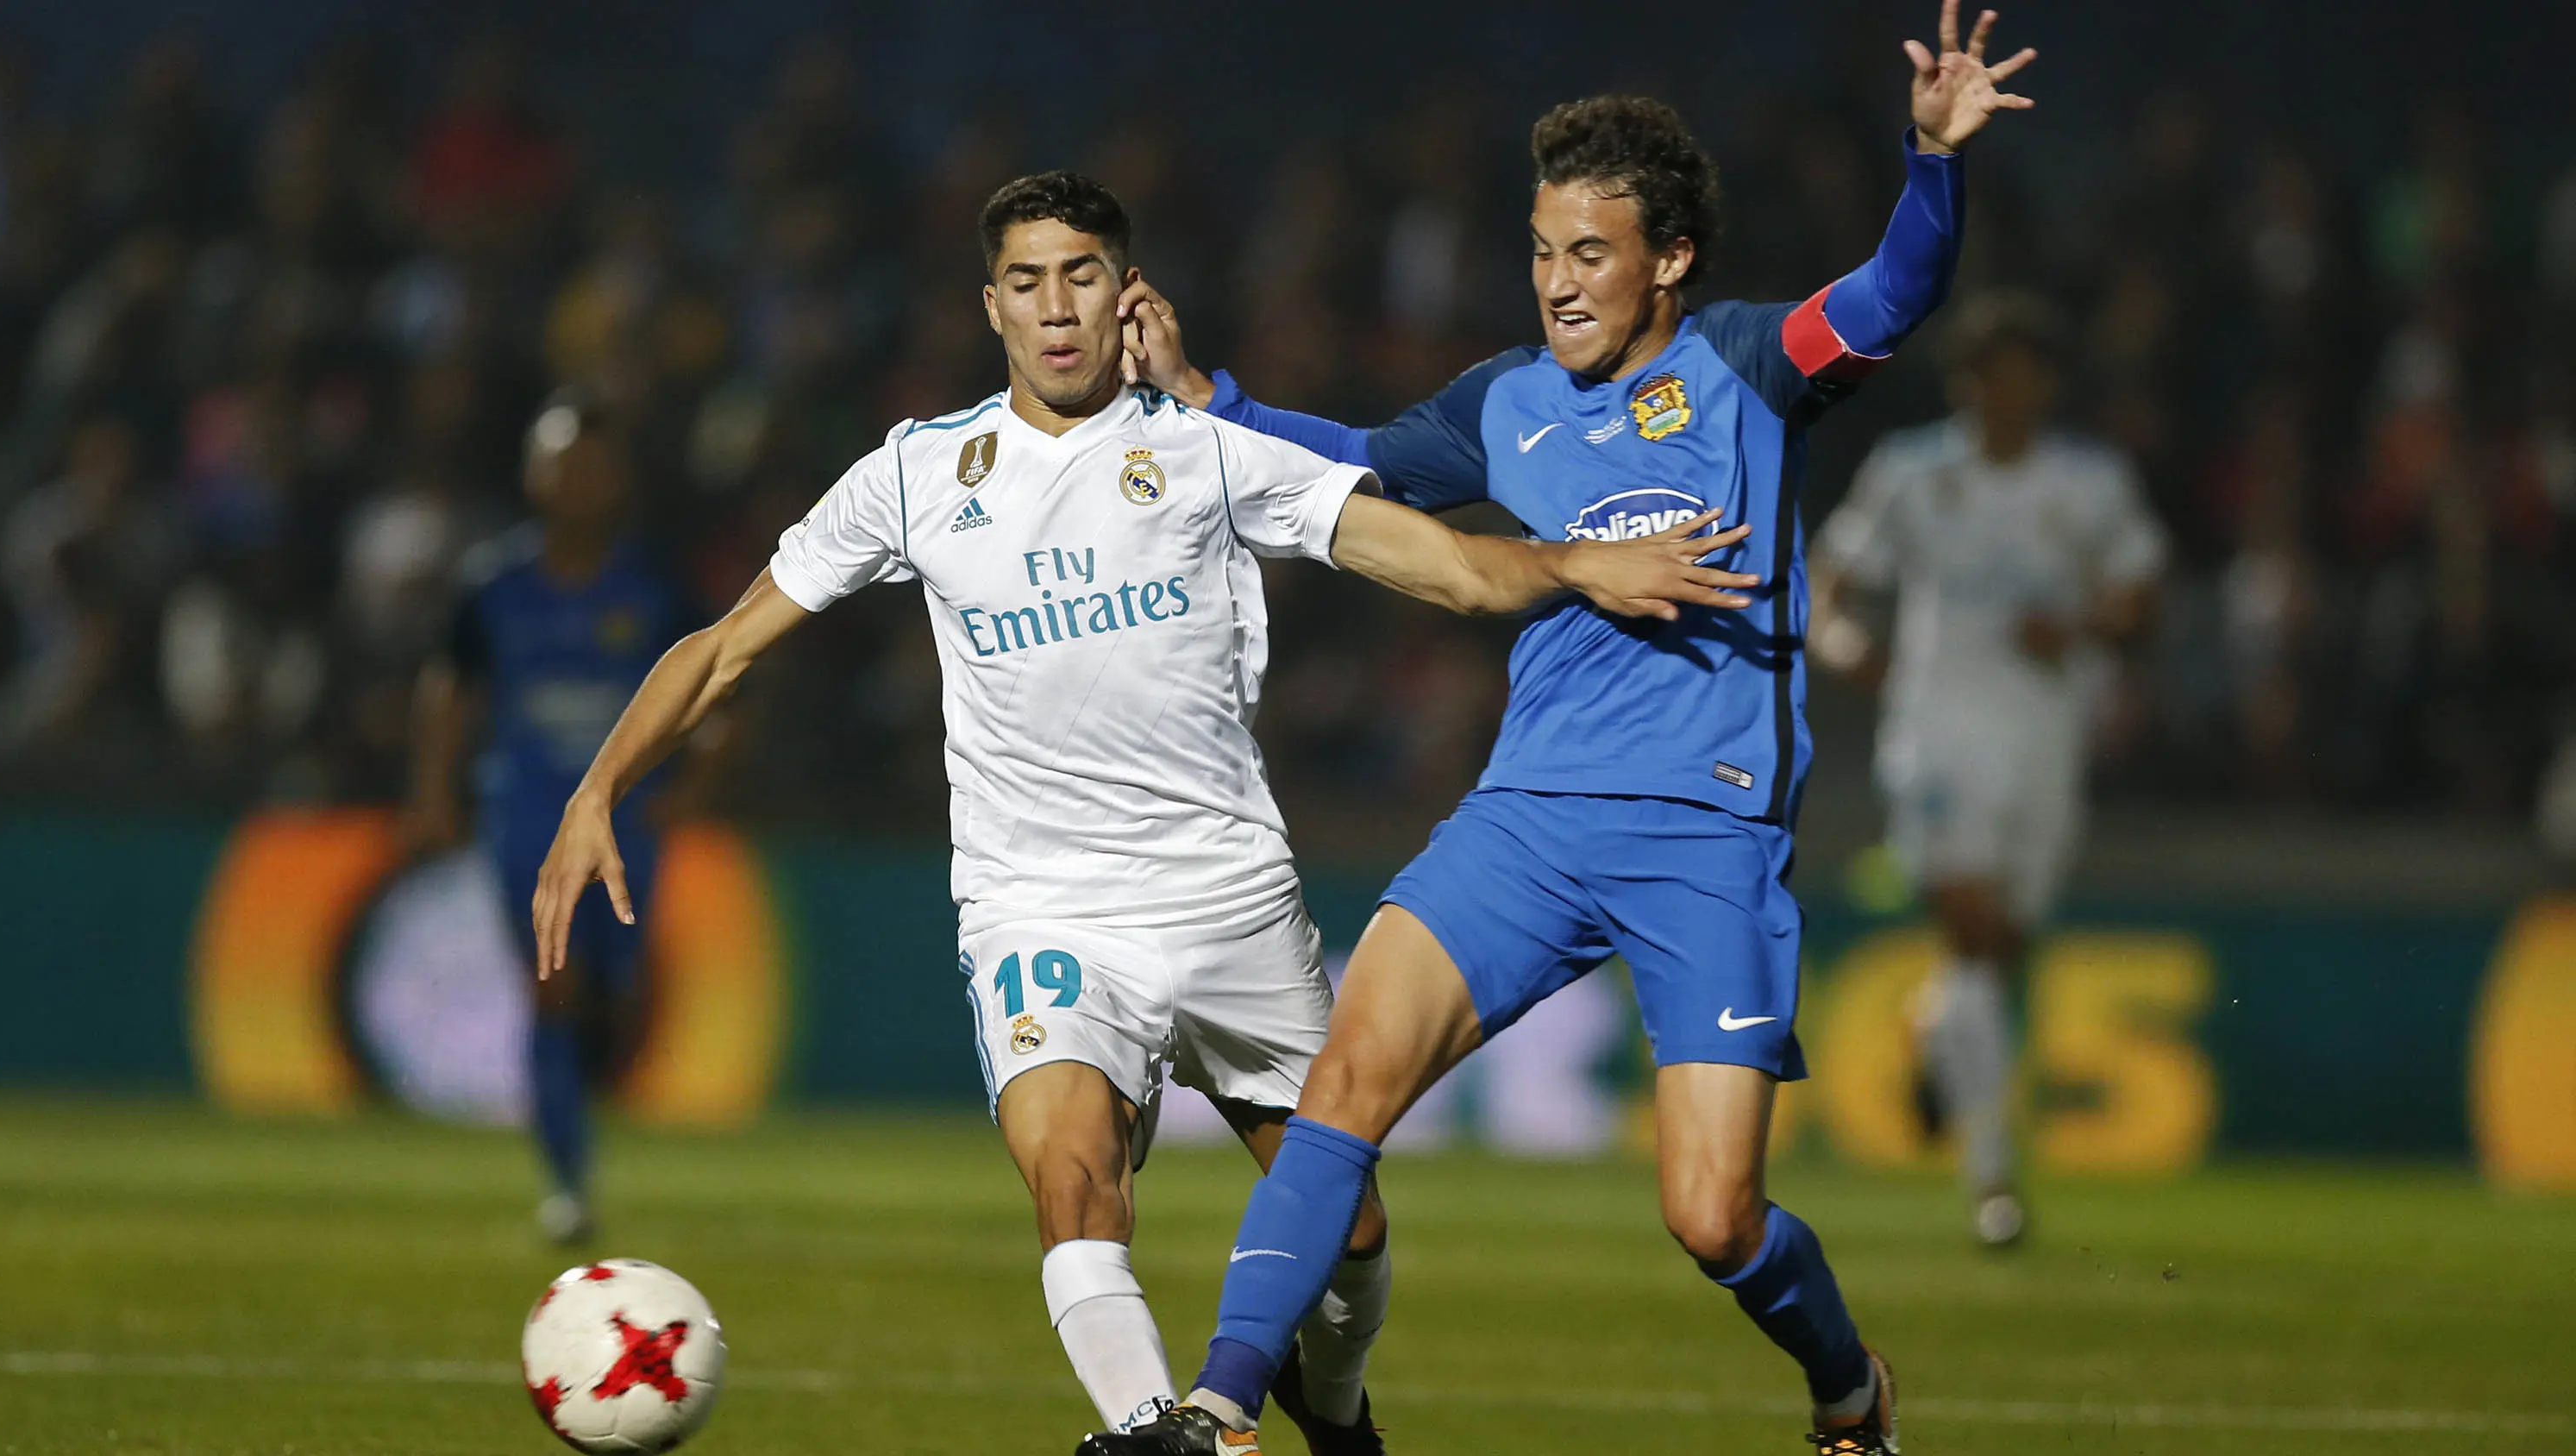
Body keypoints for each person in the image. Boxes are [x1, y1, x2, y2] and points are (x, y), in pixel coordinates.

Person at [528, 171, 1755, 1447]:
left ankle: (1334, 1412)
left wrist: (1574, 563)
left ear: (1127, 293)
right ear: (989, 304)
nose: (1055, 308)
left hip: (1226, 897)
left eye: (1080, 275)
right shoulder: (917, 472)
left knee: (1353, 1228)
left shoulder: (1210, 454)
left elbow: (1443, 566)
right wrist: (599, 786)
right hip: (1040, 903)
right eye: (1026, 281)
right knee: (1075, 1181)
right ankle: (1167, 1433)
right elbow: (725, 646)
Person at [1091, 6, 2032, 1452]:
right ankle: (1218, 1409)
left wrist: (1931, 162)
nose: (1558, 282)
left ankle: (1850, 1393)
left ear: (1669, 258)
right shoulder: (1508, 404)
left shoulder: (1750, 366)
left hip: (1705, 834)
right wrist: (1214, 400)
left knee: (1712, 1213)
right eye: (1542, 252)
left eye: (1589, 252)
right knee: (1347, 1080)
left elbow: (1892, 295)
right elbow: (1355, 464)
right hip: (1527, 815)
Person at [1811, 292, 2166, 1248]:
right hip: (1937, 731)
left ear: (2043, 386)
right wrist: (1842, 645)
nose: (2004, 394)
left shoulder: (2088, 483)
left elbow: (2140, 596)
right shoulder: (1914, 472)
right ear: (1967, 385)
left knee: (1997, 947)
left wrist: (2085, 625)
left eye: (2021, 376)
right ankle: (1992, 1176)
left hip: (2048, 736)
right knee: (1972, 931)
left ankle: (1936, 1028)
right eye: (1988, 376)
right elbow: (1831, 582)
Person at [404, 388, 711, 1245]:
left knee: (612, 997)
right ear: (534, 474)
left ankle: (579, 1115)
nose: (576, 479)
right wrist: (436, 790)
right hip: (529, 815)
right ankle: (568, 1184)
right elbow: (451, 688)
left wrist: (700, 779)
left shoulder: (654, 587)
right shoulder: (492, 585)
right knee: (553, 987)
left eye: (593, 463)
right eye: (561, 461)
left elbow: (718, 684)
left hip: (629, 817)